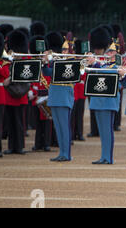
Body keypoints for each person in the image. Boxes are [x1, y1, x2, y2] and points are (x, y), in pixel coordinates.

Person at [87, 26, 126, 164]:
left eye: (112, 53)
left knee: (107, 131)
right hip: (98, 102)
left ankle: (107, 157)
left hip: (108, 102)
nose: (109, 54)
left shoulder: (116, 67)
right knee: (103, 131)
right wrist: (92, 62)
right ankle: (104, 156)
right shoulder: (102, 65)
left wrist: (96, 63)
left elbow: (111, 73)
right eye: (108, 52)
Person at [42, 31, 74, 162]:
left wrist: (52, 60)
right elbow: (48, 72)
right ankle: (62, 152)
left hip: (64, 96)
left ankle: (66, 154)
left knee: (64, 126)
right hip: (55, 95)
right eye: (63, 49)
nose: (64, 51)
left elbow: (62, 72)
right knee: (58, 127)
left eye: (66, 49)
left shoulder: (71, 61)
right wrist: (45, 62)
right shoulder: (55, 60)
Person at [4, 29, 29, 155]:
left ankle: (19, 146)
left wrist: (10, 78)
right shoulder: (8, 59)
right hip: (9, 94)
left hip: (21, 94)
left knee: (19, 122)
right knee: (10, 122)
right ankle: (11, 146)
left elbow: (26, 76)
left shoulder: (24, 60)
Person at [30, 35, 53, 152]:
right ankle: (38, 143)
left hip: (47, 95)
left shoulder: (50, 65)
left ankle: (47, 143)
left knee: (47, 122)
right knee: (38, 123)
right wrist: (33, 92)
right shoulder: (35, 64)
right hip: (37, 95)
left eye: (44, 52)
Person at [71, 39, 86, 141]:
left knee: (80, 114)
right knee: (73, 114)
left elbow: (83, 75)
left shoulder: (83, 61)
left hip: (81, 90)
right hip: (74, 90)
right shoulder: (73, 59)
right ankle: (72, 134)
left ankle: (79, 133)